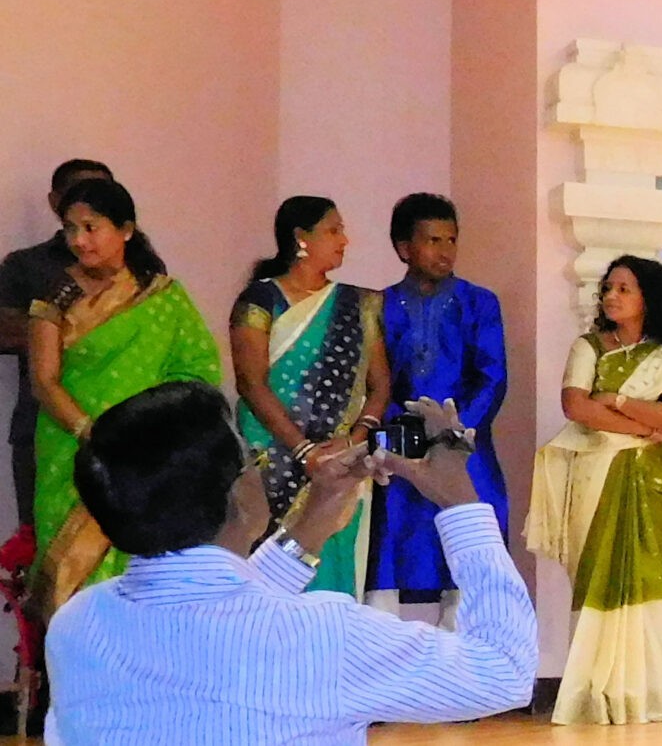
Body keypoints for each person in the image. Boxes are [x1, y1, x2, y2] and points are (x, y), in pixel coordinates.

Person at [44, 383, 533, 744]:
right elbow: (505, 672)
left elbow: (228, 619)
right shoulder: (325, 635)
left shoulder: (78, 625)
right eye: (251, 457)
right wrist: (460, 502)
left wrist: (313, 518)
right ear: (238, 493)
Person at [25, 178, 221, 617]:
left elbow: (197, 372)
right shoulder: (56, 295)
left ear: (126, 230)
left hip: (145, 457)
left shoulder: (163, 297)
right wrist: (94, 436)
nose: (79, 240)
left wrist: (147, 432)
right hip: (71, 451)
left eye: (90, 227)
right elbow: (44, 381)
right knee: (68, 575)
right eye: (70, 228)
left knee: (143, 566)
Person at [526, 255, 662, 725]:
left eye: (624, 289)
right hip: (595, 474)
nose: (611, 296)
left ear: (649, 298)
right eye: (608, 288)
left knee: (650, 577)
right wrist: (640, 425)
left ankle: (648, 692)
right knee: (595, 576)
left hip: (651, 480)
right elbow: (576, 407)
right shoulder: (589, 347)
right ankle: (594, 694)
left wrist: (619, 400)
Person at [231, 196, 390, 596]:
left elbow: (380, 385)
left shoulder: (359, 305)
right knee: (268, 573)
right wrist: (304, 451)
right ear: (301, 238)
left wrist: (353, 441)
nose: (344, 240)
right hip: (273, 459)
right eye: (334, 231)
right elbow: (250, 383)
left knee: (333, 569)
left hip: (340, 465)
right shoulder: (260, 300)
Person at [369, 193, 509, 617]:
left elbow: (493, 375)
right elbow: (372, 381)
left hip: (464, 444)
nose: (446, 251)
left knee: (468, 543)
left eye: (452, 239)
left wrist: (454, 429)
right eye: (433, 240)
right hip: (397, 444)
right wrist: (393, 428)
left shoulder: (479, 303)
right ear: (404, 248)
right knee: (391, 544)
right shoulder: (377, 305)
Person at [0, 158, 112, 527]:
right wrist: (63, 330)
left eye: (101, 193)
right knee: (42, 542)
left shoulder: (140, 270)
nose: (89, 201)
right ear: (55, 201)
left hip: (123, 430)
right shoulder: (27, 265)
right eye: (79, 192)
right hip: (41, 425)